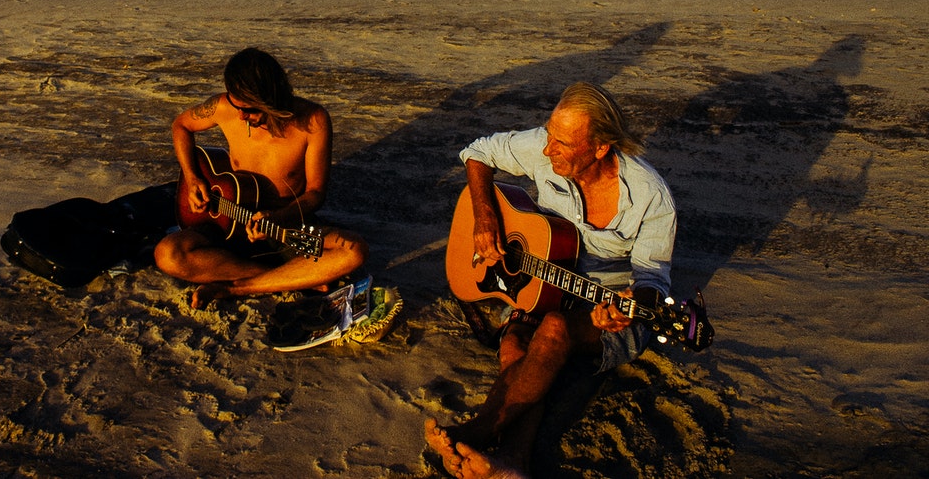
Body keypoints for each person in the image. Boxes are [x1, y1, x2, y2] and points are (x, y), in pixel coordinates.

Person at [425, 82, 676, 476]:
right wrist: (485, 216)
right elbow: (477, 153)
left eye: (561, 143)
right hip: (545, 283)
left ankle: (474, 431)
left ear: (600, 147)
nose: (546, 150)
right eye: (548, 135)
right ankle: (513, 461)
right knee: (513, 343)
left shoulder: (649, 197)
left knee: (555, 329)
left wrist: (627, 308)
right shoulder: (548, 144)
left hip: (605, 301)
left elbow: (653, 284)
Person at [154, 47, 368, 309]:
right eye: (237, 106)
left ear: (271, 98)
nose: (242, 116)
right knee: (167, 254)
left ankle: (239, 286)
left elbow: (315, 193)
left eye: (251, 109)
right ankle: (293, 278)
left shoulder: (313, 121)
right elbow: (181, 125)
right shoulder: (224, 107)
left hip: (284, 228)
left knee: (353, 250)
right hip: (226, 222)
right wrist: (193, 177)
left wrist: (277, 217)